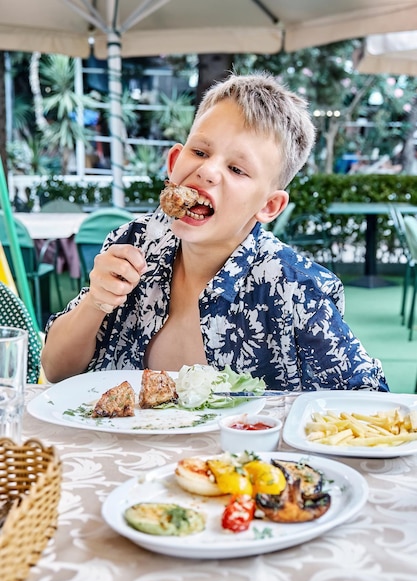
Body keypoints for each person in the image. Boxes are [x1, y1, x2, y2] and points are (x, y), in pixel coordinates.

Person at [41, 72, 388, 392]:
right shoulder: (134, 241)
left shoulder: (295, 289)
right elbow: (56, 371)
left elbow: (372, 401)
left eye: (237, 169)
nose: (207, 170)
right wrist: (97, 300)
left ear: (268, 206)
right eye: (200, 151)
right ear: (175, 161)